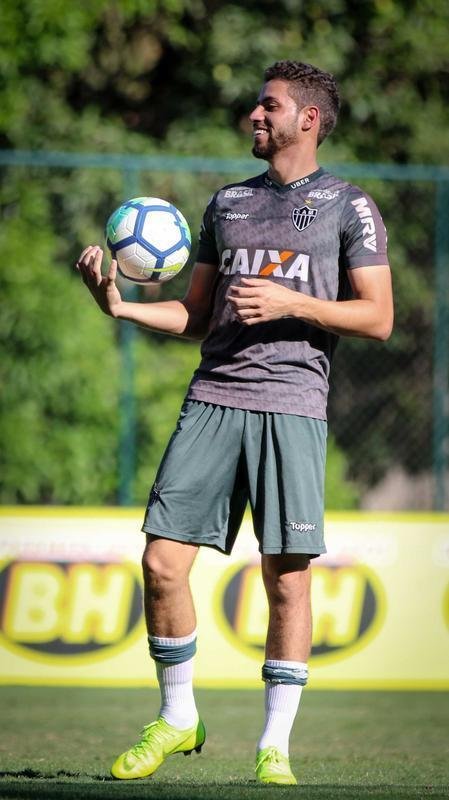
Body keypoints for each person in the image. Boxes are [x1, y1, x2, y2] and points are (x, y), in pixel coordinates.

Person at [76, 60, 393, 786]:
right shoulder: (228, 204)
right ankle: (179, 717)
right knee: (161, 563)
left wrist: (293, 305)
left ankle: (273, 744)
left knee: (286, 580)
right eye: (257, 105)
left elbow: (377, 317)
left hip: (292, 405)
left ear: (306, 119)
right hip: (214, 395)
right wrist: (120, 307)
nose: (255, 115)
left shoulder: (350, 206)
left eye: (268, 106)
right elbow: (196, 313)